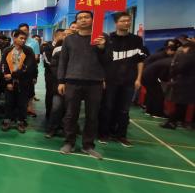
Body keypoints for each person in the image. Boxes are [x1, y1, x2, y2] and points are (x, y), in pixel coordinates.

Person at [57, 11, 110, 159]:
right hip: (72, 81)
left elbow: (109, 60)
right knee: (70, 115)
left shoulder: (102, 37)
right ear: (76, 22)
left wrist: (102, 48)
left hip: (95, 82)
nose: (83, 20)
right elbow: (63, 61)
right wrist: (61, 81)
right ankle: (69, 142)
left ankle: (88, 145)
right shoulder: (69, 39)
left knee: (92, 116)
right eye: (80, 18)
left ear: (93, 20)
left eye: (86, 17)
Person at [98, 12, 147, 146]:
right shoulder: (108, 39)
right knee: (107, 107)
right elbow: (102, 61)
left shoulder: (137, 40)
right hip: (110, 80)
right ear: (116, 23)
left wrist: (138, 78)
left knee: (124, 109)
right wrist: (102, 78)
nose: (126, 23)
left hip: (129, 81)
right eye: (123, 21)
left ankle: (121, 135)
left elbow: (140, 60)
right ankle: (103, 133)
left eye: (128, 20)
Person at [1, 30, 37, 133]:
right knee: (9, 102)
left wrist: (12, 75)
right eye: (21, 38)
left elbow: (28, 68)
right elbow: (3, 66)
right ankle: (7, 120)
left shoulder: (28, 51)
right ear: (14, 38)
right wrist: (8, 82)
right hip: (9, 82)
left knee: (22, 103)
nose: (23, 40)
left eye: (25, 38)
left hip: (24, 82)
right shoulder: (7, 50)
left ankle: (21, 122)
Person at [162, 37, 195, 129]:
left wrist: (173, 74)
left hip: (184, 83)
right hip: (190, 83)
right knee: (184, 104)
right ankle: (179, 121)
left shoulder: (188, 56)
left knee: (179, 103)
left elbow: (179, 68)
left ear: (188, 48)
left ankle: (172, 122)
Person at [142, 41, 177, 118]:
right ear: (169, 50)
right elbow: (162, 70)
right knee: (158, 94)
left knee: (152, 93)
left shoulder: (160, 54)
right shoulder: (162, 56)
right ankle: (157, 113)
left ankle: (149, 111)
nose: (174, 54)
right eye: (174, 52)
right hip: (150, 75)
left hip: (145, 74)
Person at [44, 31, 67, 138]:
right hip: (58, 83)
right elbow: (54, 66)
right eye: (65, 35)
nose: (66, 36)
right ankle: (52, 129)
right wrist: (62, 80)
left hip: (73, 84)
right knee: (56, 106)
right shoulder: (57, 49)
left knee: (70, 109)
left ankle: (67, 129)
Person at [18, 23, 40, 116]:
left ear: (28, 31)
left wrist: (26, 62)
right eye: (21, 30)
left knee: (30, 89)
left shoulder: (34, 42)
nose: (23, 32)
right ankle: (20, 107)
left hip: (30, 70)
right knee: (19, 89)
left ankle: (29, 108)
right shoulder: (16, 41)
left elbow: (36, 56)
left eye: (25, 30)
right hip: (18, 70)